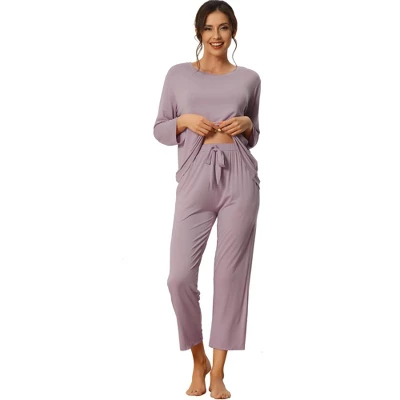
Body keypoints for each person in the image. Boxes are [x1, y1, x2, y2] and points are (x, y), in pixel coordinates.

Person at [153, 1, 261, 398]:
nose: (217, 35)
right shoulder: (178, 74)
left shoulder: (250, 78)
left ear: (233, 32)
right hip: (195, 177)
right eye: (209, 28)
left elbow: (254, 133)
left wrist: (247, 124)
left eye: (224, 27)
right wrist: (184, 120)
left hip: (239, 176)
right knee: (179, 277)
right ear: (199, 32)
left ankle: (218, 372)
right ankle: (198, 359)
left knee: (230, 277)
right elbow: (160, 129)